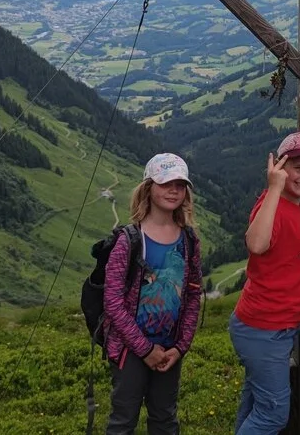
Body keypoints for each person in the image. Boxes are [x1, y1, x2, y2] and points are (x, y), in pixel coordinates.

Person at [229, 131, 300, 435]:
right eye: (298, 168)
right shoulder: (274, 203)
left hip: (278, 327)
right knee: (273, 415)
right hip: (265, 328)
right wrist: (274, 188)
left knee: (256, 403)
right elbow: (256, 244)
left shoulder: (296, 204)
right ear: (281, 166)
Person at [102, 153, 203, 435]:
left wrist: (181, 346)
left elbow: (193, 292)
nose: (174, 190)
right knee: (124, 418)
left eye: (180, 185)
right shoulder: (130, 240)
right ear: (149, 187)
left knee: (165, 418)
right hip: (131, 349)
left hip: (169, 346)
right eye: (165, 183)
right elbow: (112, 301)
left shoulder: (190, 240)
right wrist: (144, 349)